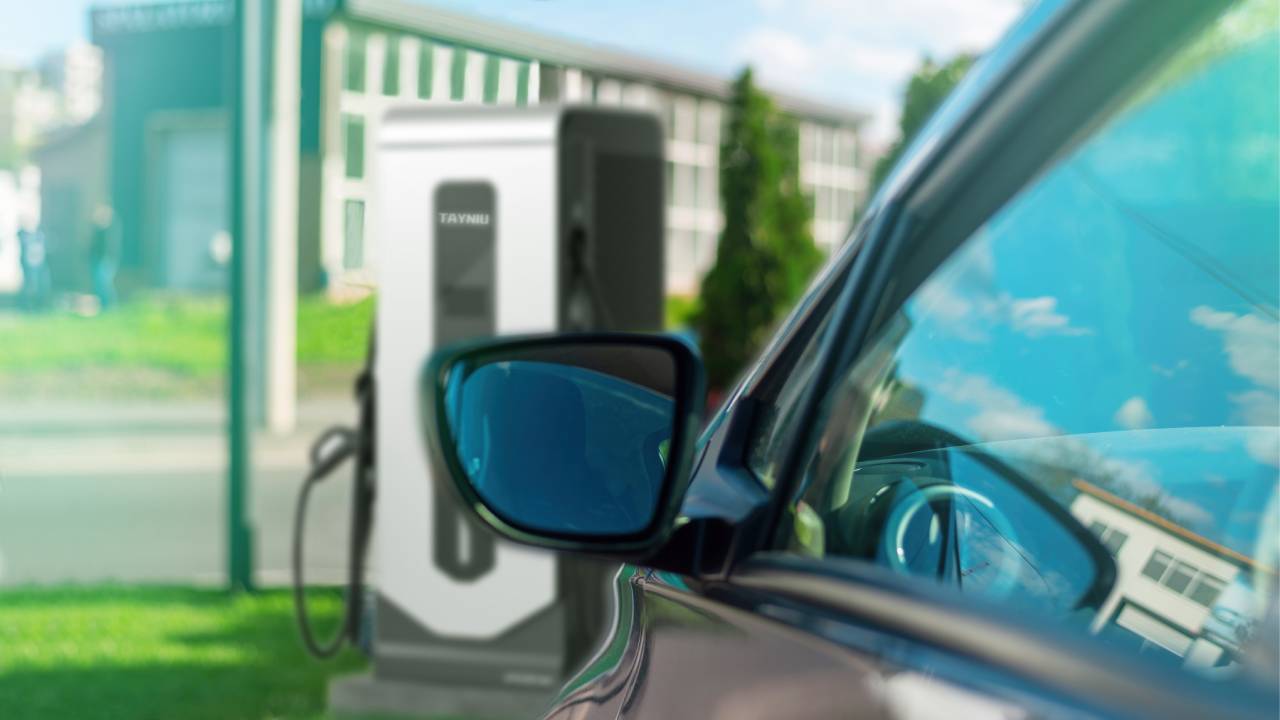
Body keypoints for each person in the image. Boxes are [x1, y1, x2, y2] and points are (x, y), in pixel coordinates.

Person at [89, 205, 119, 311]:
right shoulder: (98, 231)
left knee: (104, 284)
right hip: (98, 260)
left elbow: (108, 248)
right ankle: (104, 305)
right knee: (100, 284)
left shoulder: (108, 231)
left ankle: (109, 305)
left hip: (104, 260)